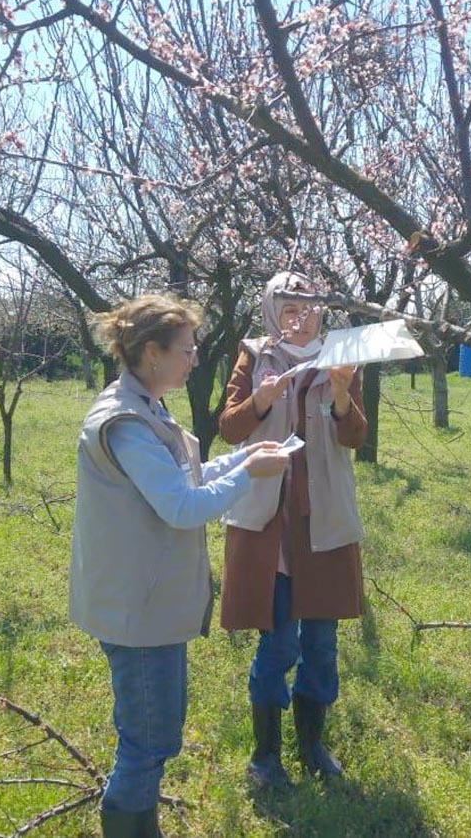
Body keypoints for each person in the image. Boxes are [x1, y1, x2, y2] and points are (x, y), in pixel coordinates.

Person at [69, 294, 288, 837]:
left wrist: (245, 456)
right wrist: (250, 476)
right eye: (186, 350)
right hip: (138, 611)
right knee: (148, 739)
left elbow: (182, 479)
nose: (194, 360)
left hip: (148, 602)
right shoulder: (125, 422)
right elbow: (182, 506)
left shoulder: (145, 408)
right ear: (151, 352)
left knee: (153, 732)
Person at [218, 272, 368, 788]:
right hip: (269, 523)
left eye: (308, 308)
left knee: (321, 645)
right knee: (278, 644)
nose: (300, 318)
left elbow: (355, 437)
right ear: (271, 313)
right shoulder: (255, 355)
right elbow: (230, 427)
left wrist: (344, 395)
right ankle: (265, 757)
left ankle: (312, 746)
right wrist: (261, 399)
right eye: (288, 309)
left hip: (322, 520)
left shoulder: (340, 357)